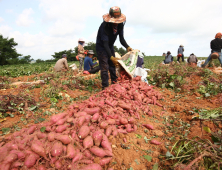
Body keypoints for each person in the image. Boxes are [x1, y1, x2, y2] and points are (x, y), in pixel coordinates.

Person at [96, 6, 133, 90]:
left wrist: (127, 47)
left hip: (110, 46)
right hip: (101, 47)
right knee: (104, 67)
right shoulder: (104, 26)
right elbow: (105, 44)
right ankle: (105, 87)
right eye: (114, 21)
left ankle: (114, 84)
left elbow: (121, 39)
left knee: (113, 65)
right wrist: (111, 57)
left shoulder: (120, 25)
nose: (116, 23)